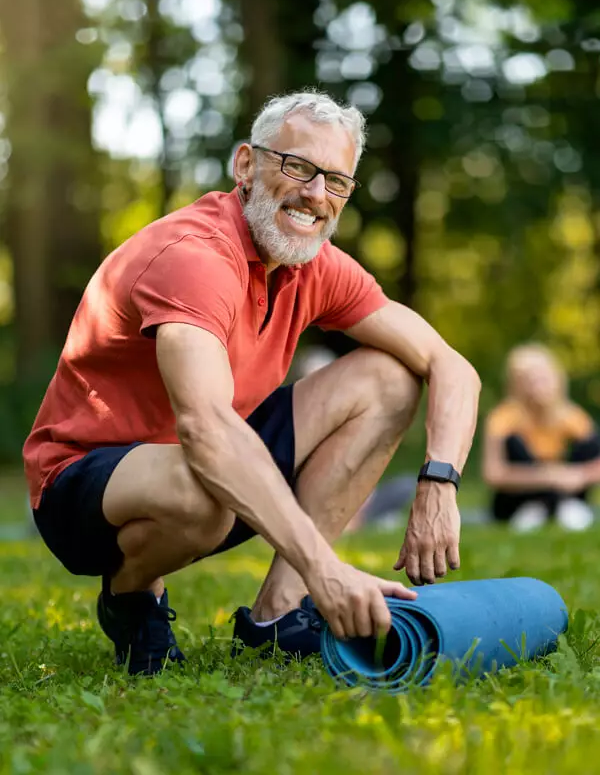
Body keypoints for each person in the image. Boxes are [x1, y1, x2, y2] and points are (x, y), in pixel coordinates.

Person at [23, 91, 481, 675]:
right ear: (246, 165)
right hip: (81, 482)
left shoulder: (315, 266)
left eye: (336, 182)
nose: (316, 194)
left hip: (205, 456)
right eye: (298, 167)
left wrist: (439, 483)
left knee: (389, 378)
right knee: (206, 483)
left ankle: (277, 617)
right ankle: (132, 595)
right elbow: (207, 429)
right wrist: (327, 569)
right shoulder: (196, 256)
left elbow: (450, 364)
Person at [483, 343, 600, 532]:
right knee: (514, 443)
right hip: (519, 496)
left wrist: (579, 475)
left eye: (542, 378)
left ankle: (566, 508)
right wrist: (548, 476)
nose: (537, 386)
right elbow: (493, 474)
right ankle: (534, 510)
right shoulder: (503, 418)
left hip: (563, 489)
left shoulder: (572, 416)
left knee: (588, 444)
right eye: (529, 380)